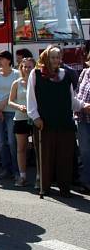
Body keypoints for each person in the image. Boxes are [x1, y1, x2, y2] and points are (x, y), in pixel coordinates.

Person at [27, 45, 90, 197]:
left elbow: (71, 100)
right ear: (46, 58)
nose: (56, 60)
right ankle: (45, 187)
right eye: (53, 57)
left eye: (58, 57)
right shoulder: (36, 74)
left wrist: (83, 106)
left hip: (64, 122)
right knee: (46, 158)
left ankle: (64, 188)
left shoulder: (65, 74)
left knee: (65, 158)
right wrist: (35, 117)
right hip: (44, 123)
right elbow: (31, 98)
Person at [0, 51, 20, 181]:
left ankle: (16, 170)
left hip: (11, 110)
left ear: (8, 60)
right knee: (1, 142)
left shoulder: (16, 74)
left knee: (12, 141)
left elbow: (16, 92)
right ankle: (5, 169)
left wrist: (4, 103)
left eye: (0, 58)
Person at [8, 57, 35, 187]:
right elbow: (10, 101)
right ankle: (22, 176)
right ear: (21, 68)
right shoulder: (17, 83)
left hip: (35, 118)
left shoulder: (38, 82)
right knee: (21, 148)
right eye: (25, 67)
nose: (27, 69)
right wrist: (19, 106)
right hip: (20, 118)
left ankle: (40, 176)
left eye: (30, 67)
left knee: (38, 148)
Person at [75, 53, 90, 194]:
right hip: (82, 118)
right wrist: (82, 105)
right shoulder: (84, 73)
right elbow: (77, 93)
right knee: (84, 151)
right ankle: (86, 182)